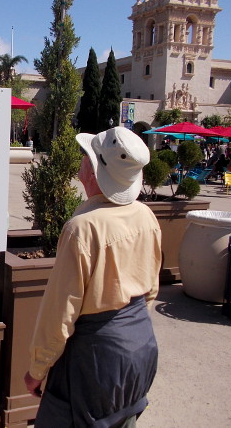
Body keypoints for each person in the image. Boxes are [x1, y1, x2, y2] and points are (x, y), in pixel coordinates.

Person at [24, 127, 161, 427]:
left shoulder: (82, 228)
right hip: (139, 348)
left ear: (94, 170)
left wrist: (37, 369)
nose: (81, 161)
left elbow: (60, 313)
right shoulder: (146, 217)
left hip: (95, 362)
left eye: (86, 156)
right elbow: (150, 291)